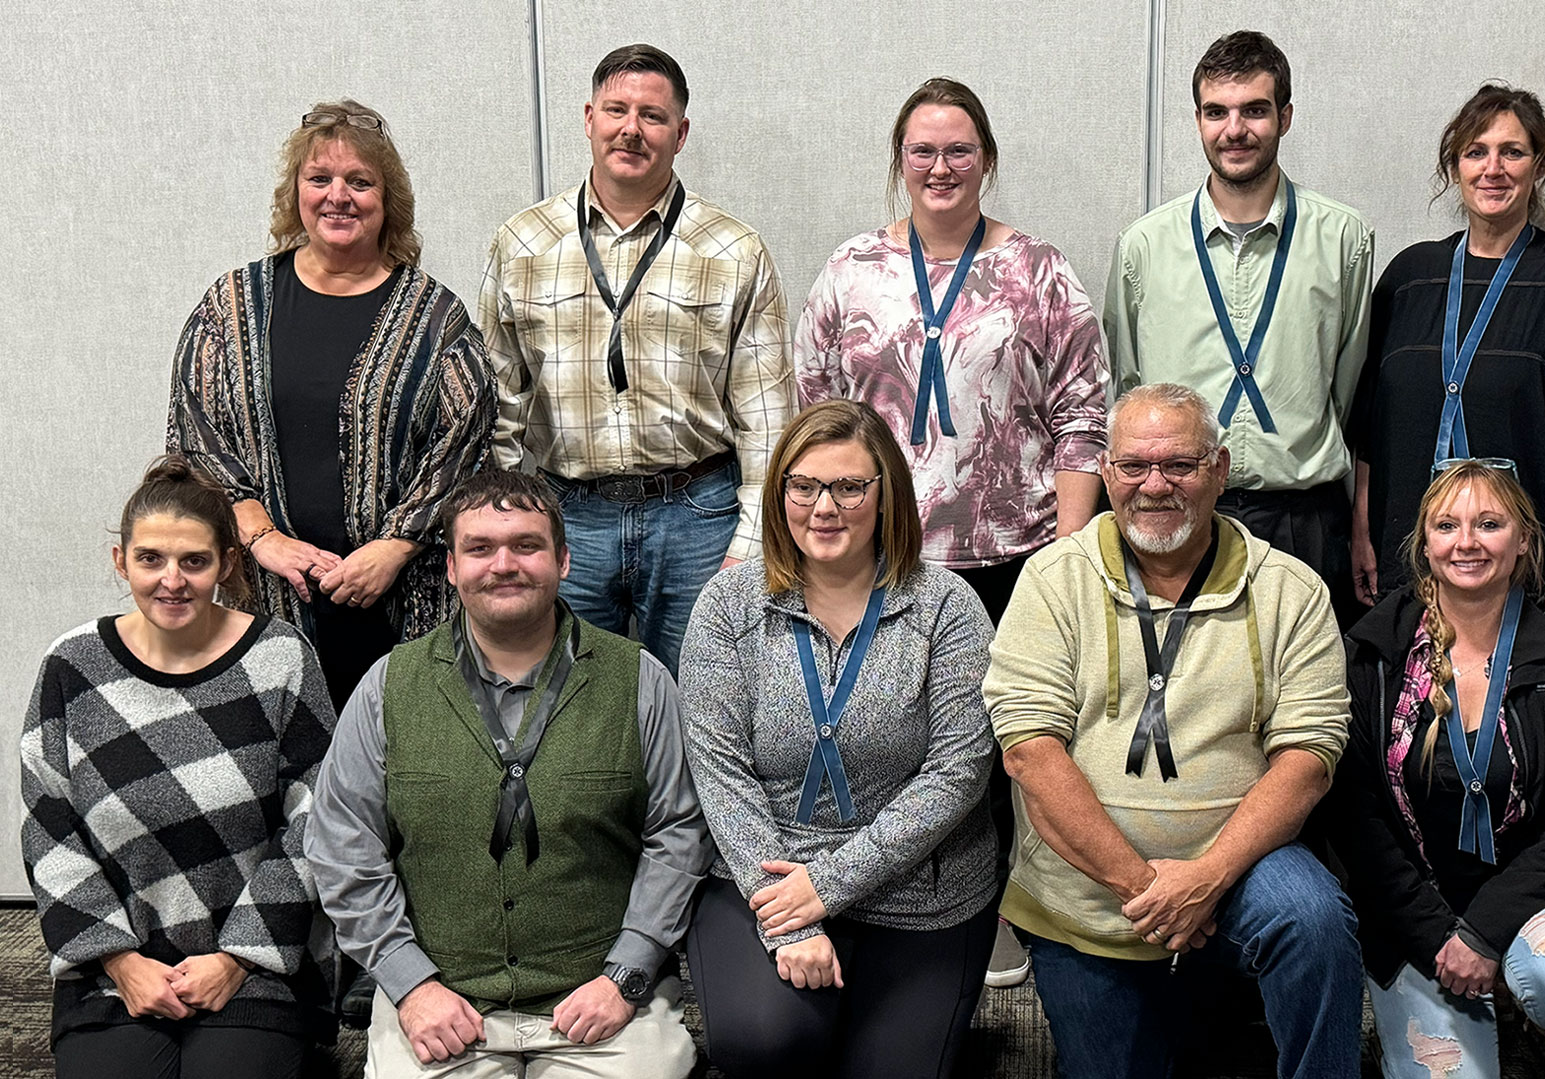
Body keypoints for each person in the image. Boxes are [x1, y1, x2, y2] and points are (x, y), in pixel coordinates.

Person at [792, 75, 1108, 989]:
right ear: (900, 161)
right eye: (922, 150)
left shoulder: (1038, 269)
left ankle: (1009, 913)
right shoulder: (852, 271)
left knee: (1016, 740)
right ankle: (892, 903)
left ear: (987, 160)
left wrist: (1068, 553)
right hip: (879, 553)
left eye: (958, 150)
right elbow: (814, 413)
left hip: (1016, 554)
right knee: (895, 734)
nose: (940, 166)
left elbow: (1083, 415)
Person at [983, 383, 1360, 1079]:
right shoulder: (1050, 580)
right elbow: (1031, 754)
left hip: (1242, 876)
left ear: (1218, 469)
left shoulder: (1291, 590)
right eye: (1134, 466)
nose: (1155, 485)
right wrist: (1148, 889)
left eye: (1180, 465)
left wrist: (1208, 878)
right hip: (1086, 898)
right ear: (1105, 473)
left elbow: (1309, 758)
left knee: (1313, 917)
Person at [304, 469, 712, 1075]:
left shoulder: (641, 680)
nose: (503, 564)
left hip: (601, 1002)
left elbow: (680, 833)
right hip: (441, 1006)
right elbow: (342, 846)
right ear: (450, 567)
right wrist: (410, 985)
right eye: (479, 548)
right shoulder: (389, 687)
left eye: (526, 545)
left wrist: (626, 973)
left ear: (564, 559)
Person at [676, 399, 999, 1079]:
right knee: (767, 1041)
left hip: (921, 893)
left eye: (850, 486)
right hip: (764, 881)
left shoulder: (947, 607)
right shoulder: (728, 607)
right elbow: (721, 774)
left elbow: (958, 773)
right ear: (779, 493)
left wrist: (828, 884)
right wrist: (791, 919)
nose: (824, 506)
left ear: (887, 496)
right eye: (803, 485)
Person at [169, 99, 497, 711]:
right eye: (319, 179)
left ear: (387, 199)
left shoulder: (435, 320)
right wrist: (262, 538)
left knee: (400, 770)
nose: (337, 196)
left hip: (403, 603)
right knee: (274, 769)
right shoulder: (233, 308)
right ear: (295, 193)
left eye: (359, 181)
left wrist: (395, 547)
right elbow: (195, 440)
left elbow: (468, 445)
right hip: (266, 598)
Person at [21, 456, 337, 1079]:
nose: (173, 580)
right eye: (150, 560)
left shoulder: (280, 658)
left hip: (257, 970)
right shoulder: (71, 665)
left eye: (194, 561)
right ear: (121, 562)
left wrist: (239, 958)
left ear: (226, 562)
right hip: (115, 975)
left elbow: (317, 817)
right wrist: (118, 960)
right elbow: (47, 827)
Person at [481, 43, 793, 672]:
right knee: (568, 705)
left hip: (700, 516)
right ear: (589, 117)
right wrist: (515, 518)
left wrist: (754, 541)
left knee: (703, 706)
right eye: (617, 110)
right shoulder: (524, 242)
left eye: (652, 116)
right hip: (568, 515)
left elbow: (767, 416)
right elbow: (498, 400)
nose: (632, 129)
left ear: (680, 135)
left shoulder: (733, 249)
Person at [1330, 461, 1545, 1079]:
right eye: (1447, 526)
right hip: (1414, 910)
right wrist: (1440, 935)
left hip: (1541, 892)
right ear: (1424, 544)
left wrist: (1484, 933)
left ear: (1523, 540)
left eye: (1489, 524)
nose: (1466, 542)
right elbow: (1356, 819)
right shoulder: (1373, 652)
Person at [1105, 30, 1373, 624]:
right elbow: (1127, 386)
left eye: (1254, 110)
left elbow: (1348, 385)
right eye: (1216, 112)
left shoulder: (1344, 240)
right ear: (1198, 119)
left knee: (1305, 694)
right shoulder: (1143, 246)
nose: (1235, 130)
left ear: (1285, 116)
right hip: (1176, 510)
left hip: (1305, 517)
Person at [1350, 85, 1545, 618]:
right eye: (1476, 152)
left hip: (1530, 564)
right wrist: (1361, 534)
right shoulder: (1409, 278)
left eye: (1513, 152)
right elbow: (1371, 428)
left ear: (1539, 167)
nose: (1494, 169)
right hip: (1410, 556)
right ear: (1454, 167)